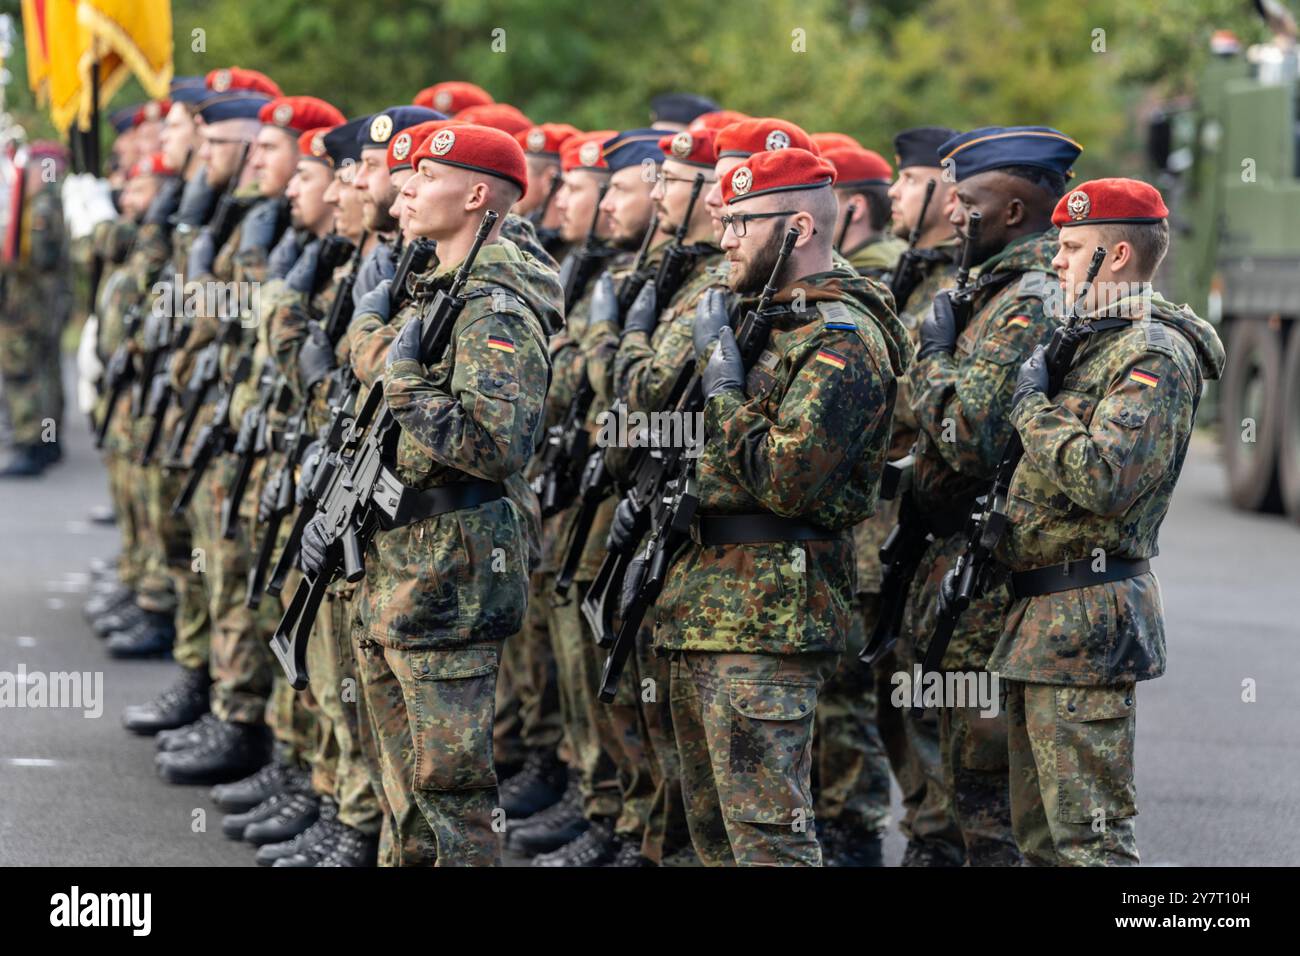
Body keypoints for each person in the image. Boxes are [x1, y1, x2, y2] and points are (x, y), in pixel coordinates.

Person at [311, 123, 559, 866]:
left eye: (426, 175)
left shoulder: (496, 308)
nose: (405, 188)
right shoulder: (436, 288)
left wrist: (402, 376)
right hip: (404, 567)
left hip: (451, 578)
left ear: (477, 195)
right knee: (404, 796)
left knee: (448, 798)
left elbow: (497, 444)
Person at [657, 147, 909, 866]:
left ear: (798, 228)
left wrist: (723, 387)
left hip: (770, 617)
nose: (725, 236)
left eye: (741, 222)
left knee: (769, 838)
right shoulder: (759, 319)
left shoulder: (841, 340)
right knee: (713, 836)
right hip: (704, 604)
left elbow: (787, 480)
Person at [993, 177, 1224, 865]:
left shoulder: (1152, 354)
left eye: (1070, 248)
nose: (1056, 262)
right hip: (1041, 623)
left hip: (1087, 622)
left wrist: (1031, 406)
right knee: (1039, 844)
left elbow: (1106, 478)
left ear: (1116, 255)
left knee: (1090, 847)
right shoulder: (1089, 342)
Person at [904, 125, 1083, 866]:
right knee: (968, 786)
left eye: (967, 200)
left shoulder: (1029, 299)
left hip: (997, 578)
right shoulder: (994, 285)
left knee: (991, 809)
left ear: (1013, 212)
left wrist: (934, 358)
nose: (951, 213)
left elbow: (971, 434)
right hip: (964, 566)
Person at [0, 142, 71, 477]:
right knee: (46, 372)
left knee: (27, 373)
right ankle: (47, 438)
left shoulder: (41, 207)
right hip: (41, 303)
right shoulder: (47, 203)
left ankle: (34, 442)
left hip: (32, 304)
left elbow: (39, 258)